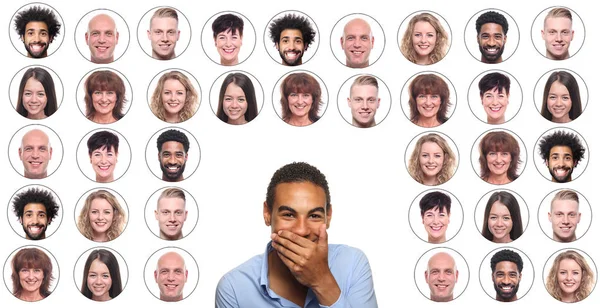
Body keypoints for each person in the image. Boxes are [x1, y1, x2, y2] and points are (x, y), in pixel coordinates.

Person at [216, 162, 377, 307]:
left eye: (314, 216)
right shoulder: (234, 288)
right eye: (288, 215)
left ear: (328, 217)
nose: (301, 230)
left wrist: (322, 281)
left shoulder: (353, 264)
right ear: (267, 213)